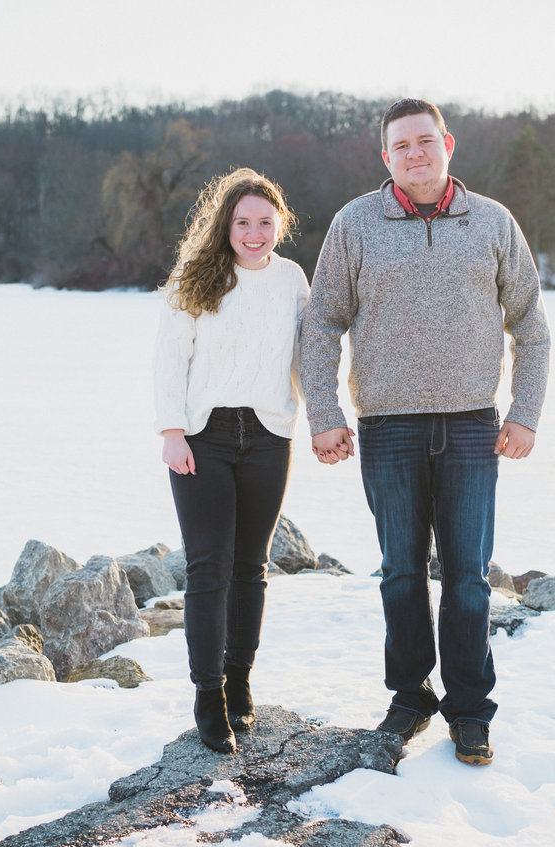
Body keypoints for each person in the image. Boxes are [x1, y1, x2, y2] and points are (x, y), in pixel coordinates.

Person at [299, 98, 550, 766]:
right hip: (387, 428)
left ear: (448, 144)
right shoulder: (355, 224)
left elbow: (530, 324)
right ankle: (410, 695)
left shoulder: (492, 222)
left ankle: (470, 709)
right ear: (386, 157)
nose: (415, 154)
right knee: (402, 574)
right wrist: (323, 413)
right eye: (400, 146)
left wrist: (524, 411)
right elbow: (321, 321)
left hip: (473, 427)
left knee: (467, 577)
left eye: (425, 141)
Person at [153, 168, 310, 754]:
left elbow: (306, 356)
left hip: (270, 433)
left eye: (265, 222)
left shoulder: (293, 280)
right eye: (242, 222)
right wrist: (172, 432)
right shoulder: (196, 278)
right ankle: (207, 693)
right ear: (225, 226)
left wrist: (326, 419)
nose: (254, 233)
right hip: (204, 437)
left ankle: (240, 680)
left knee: (251, 567)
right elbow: (169, 359)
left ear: (280, 225)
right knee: (208, 569)